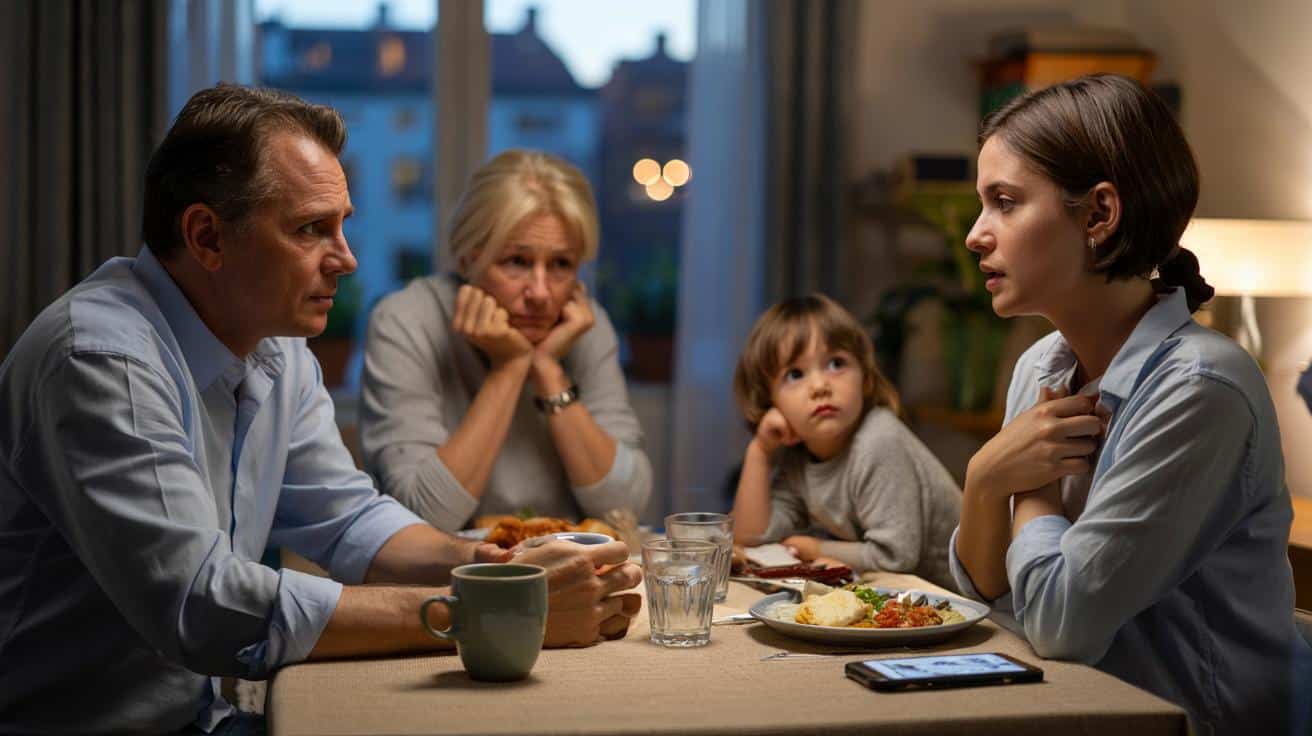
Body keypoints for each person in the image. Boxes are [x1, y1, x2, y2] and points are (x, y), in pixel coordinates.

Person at [0, 84, 642, 735]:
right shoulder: (101, 356)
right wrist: (483, 611)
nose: (347, 258)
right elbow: (203, 604)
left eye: (343, 224)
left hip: (204, 718)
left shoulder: (278, 352)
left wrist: (497, 569)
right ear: (206, 237)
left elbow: (348, 521)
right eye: (311, 229)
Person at [950, 74, 1311, 734]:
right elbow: (993, 599)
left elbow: (1061, 624)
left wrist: (1026, 491)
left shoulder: (1201, 388)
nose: (977, 234)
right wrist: (983, 481)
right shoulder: (1041, 366)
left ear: (1098, 214)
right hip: (1065, 710)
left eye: (1004, 202)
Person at [359, 150, 652, 532]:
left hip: (565, 571)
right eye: (517, 261)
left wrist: (548, 370)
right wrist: (510, 367)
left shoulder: (584, 326)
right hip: (442, 577)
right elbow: (420, 518)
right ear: (468, 260)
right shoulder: (406, 321)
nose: (541, 293)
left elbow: (625, 510)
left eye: (561, 265)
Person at [729, 294, 961, 590]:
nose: (820, 386)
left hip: (965, 602)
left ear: (864, 377)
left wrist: (818, 549)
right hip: (909, 601)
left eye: (836, 363)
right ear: (769, 400)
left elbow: (896, 557)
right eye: (795, 374)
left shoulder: (879, 441)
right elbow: (752, 537)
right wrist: (760, 451)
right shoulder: (800, 456)